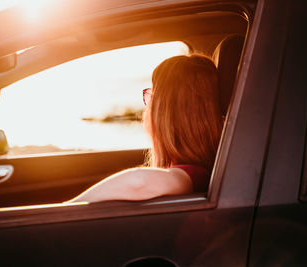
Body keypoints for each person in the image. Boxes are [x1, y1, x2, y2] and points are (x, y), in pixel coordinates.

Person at [67, 54, 223, 203]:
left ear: (166, 114)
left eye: (151, 96)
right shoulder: (205, 173)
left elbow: (138, 181)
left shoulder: (195, 175)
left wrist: (65, 210)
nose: (147, 108)